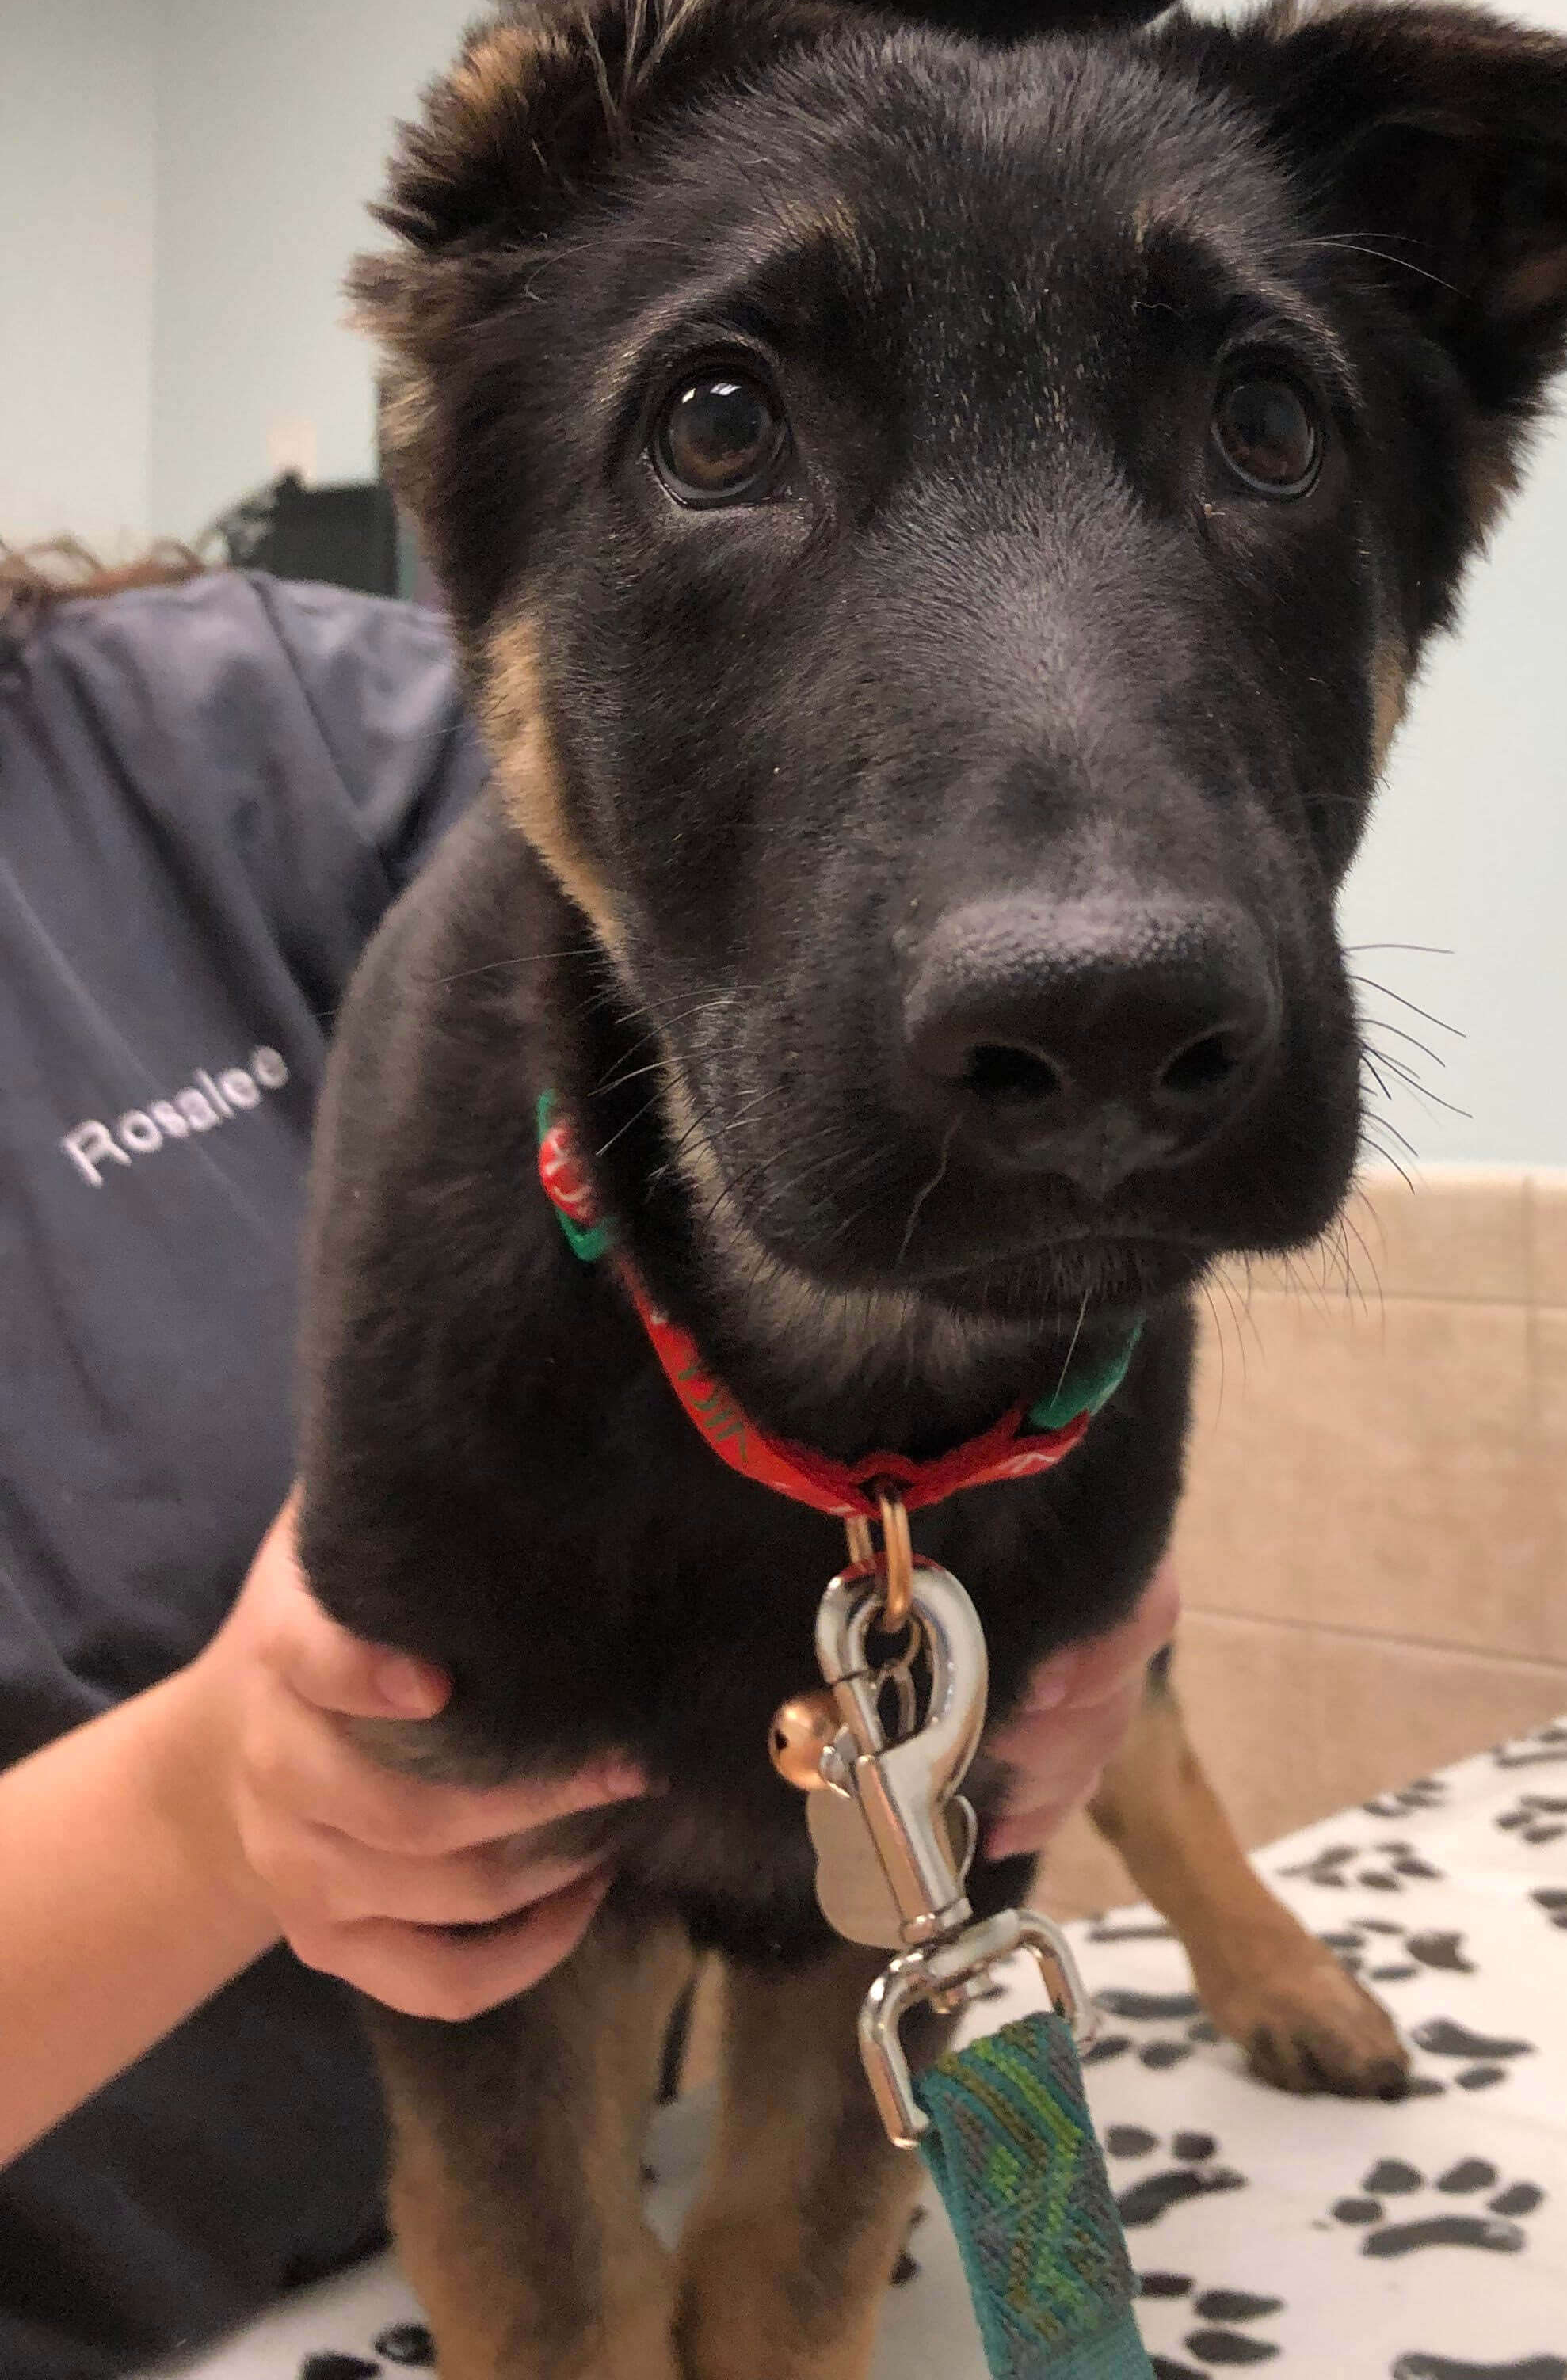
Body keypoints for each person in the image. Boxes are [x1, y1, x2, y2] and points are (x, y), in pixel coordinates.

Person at [0, 551, 1171, 2380]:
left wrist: (1067, 1336)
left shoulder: (238, 722)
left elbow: (775, 878)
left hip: (688, 2065)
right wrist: (207, 1805)